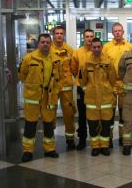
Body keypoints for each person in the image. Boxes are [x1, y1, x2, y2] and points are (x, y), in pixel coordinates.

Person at [19, 33, 61, 162]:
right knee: (30, 125)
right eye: (43, 42)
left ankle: (50, 149)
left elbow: (58, 77)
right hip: (33, 97)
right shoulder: (28, 58)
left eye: (48, 42)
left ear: (51, 44)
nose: (45, 44)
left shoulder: (55, 59)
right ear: (38, 44)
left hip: (48, 97)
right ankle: (27, 151)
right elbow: (22, 75)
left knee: (49, 124)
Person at [79, 38, 116, 156]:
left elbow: (113, 80)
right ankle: (95, 146)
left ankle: (104, 146)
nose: (96, 49)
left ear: (102, 47)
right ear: (91, 48)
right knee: (93, 125)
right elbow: (81, 80)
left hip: (106, 99)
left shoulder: (108, 62)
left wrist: (107, 89)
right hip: (91, 100)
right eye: (94, 47)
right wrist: (88, 90)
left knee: (106, 125)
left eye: (98, 47)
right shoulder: (86, 63)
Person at [102, 22, 132, 147]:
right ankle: (108, 138)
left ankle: (123, 137)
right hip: (111, 84)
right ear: (112, 33)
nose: (118, 33)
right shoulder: (106, 47)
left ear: (123, 32)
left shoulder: (130, 47)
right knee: (109, 112)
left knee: (124, 112)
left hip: (125, 83)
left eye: (120, 30)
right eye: (115, 31)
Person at [51, 25, 76, 150]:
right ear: (53, 35)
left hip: (66, 87)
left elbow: (74, 68)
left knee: (69, 114)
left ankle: (70, 139)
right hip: (52, 88)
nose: (59, 35)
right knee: (50, 114)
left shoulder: (69, 50)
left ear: (64, 34)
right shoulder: (49, 50)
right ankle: (49, 141)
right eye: (57, 33)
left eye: (61, 33)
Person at [71, 29, 94, 150]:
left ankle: (96, 140)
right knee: (82, 116)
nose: (89, 39)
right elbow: (74, 69)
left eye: (91, 36)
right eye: (87, 36)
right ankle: (82, 140)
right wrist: (80, 82)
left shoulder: (98, 51)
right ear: (83, 38)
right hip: (81, 89)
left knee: (95, 116)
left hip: (95, 89)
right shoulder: (77, 52)